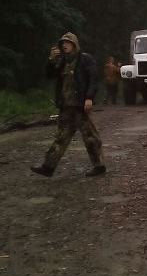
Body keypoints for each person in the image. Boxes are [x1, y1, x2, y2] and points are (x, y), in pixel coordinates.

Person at [31, 32, 106, 177]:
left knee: (90, 136)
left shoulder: (85, 59)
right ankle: (48, 167)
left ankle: (99, 165)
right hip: (65, 106)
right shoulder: (62, 62)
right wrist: (51, 60)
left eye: (68, 42)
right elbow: (50, 75)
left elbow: (93, 79)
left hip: (79, 106)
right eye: (62, 43)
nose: (64, 45)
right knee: (61, 137)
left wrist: (89, 98)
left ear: (74, 44)